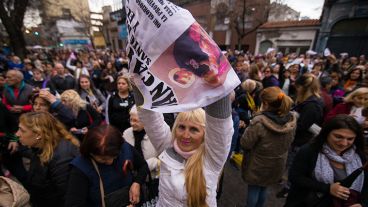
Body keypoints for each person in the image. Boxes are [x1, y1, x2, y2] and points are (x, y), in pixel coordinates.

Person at [137, 91, 234, 207]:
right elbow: (150, 118)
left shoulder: (212, 158)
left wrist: (219, 87)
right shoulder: (168, 146)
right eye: (182, 127)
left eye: (194, 129)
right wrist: (138, 83)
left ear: (205, 134)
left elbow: (221, 128)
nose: (186, 135)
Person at [285, 115, 368, 207]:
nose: (344, 143)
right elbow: (295, 177)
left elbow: (365, 184)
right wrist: (328, 188)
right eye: (338, 137)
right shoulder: (310, 151)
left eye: (350, 139)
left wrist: (362, 204)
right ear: (326, 133)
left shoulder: (359, 155)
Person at [65, 125, 148, 207]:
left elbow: (143, 166)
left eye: (114, 157)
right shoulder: (80, 169)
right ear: (91, 153)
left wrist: (137, 183)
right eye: (103, 159)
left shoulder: (122, 147)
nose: (110, 162)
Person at [240, 87, 297, 207]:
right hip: (277, 162)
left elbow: (245, 143)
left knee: (254, 189)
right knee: (263, 188)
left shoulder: (259, 122)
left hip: (257, 163)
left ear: (265, 103)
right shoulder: (291, 120)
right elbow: (290, 141)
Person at [16, 112, 80, 207]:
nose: (17, 134)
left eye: (22, 131)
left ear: (38, 134)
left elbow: (68, 197)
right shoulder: (41, 146)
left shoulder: (62, 157)